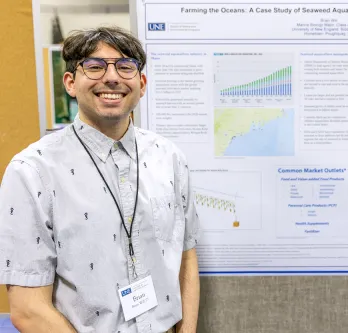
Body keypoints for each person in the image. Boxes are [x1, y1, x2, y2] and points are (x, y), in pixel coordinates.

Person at [0, 26, 201, 333]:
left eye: (125, 66)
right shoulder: (32, 171)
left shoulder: (169, 158)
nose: (112, 77)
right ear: (70, 82)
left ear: (142, 83)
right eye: (94, 67)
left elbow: (186, 258)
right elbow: (28, 309)